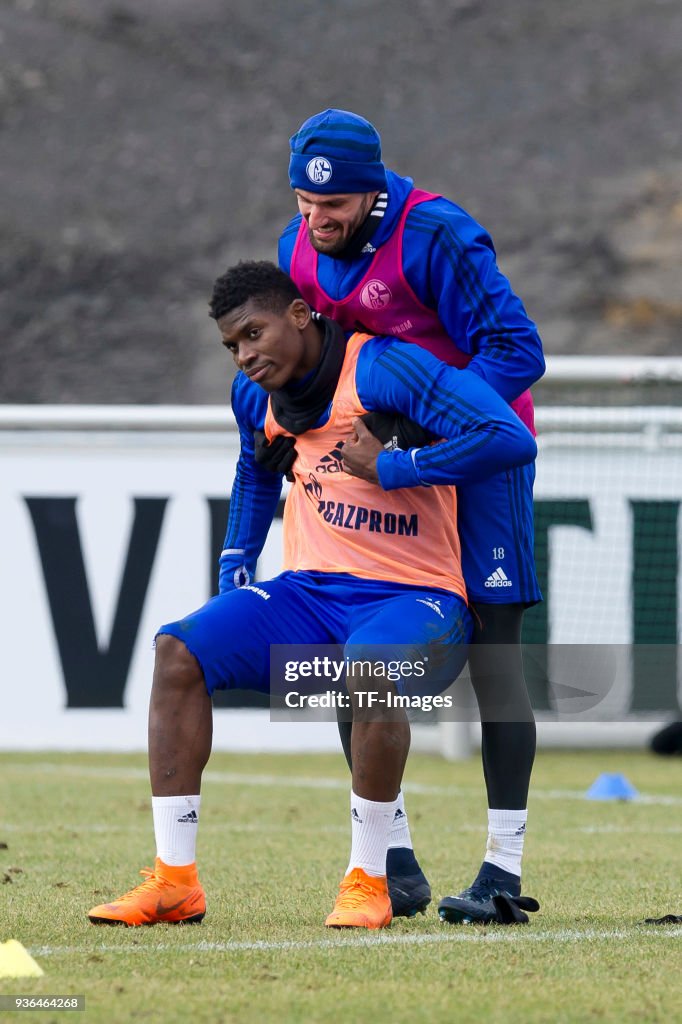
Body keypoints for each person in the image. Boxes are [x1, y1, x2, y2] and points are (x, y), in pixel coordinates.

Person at [88, 261, 539, 930]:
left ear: (300, 315)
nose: (244, 356)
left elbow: (508, 436)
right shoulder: (256, 397)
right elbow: (253, 470)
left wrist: (396, 465)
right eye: (231, 346)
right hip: (310, 593)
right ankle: (174, 881)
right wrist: (236, 563)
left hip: (417, 597)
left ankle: (370, 880)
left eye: (253, 334)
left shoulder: (386, 369)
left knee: (371, 670)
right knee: (177, 648)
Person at [277, 108, 545, 925]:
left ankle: (502, 870)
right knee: (344, 642)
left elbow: (517, 352)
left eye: (335, 206)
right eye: (302, 203)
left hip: (473, 460)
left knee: (496, 656)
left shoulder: (438, 237)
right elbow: (310, 358)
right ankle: (389, 859)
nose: (317, 221)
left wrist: (415, 432)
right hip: (370, 467)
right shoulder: (300, 250)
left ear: (373, 193)